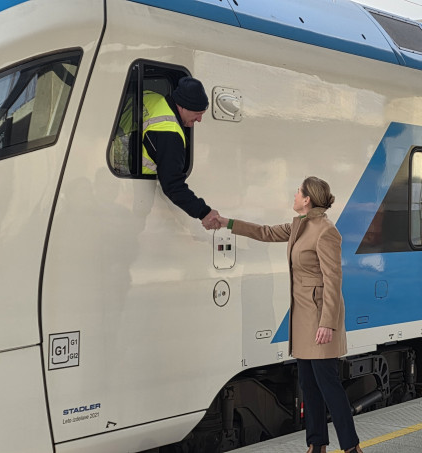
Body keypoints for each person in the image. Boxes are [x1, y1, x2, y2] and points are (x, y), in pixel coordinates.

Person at [215, 177, 363, 453]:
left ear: (307, 199)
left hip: (319, 319)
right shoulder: (300, 226)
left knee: (329, 386)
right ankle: (316, 445)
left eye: (298, 191)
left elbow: (333, 279)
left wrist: (328, 323)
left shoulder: (326, 231)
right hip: (303, 318)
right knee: (309, 386)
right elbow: (265, 232)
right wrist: (228, 223)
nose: (294, 195)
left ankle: (352, 447)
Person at [140, 76, 218, 229]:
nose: (200, 119)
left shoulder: (152, 98)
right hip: (141, 191)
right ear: (182, 106)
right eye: (198, 113)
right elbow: (172, 184)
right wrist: (204, 212)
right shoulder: (170, 132)